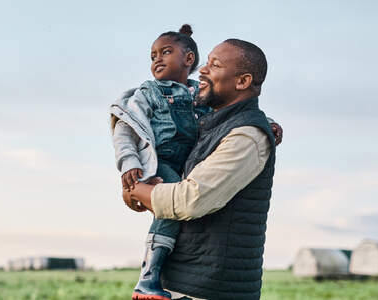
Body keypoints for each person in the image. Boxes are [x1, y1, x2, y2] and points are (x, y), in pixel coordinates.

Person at [110, 26, 281, 300]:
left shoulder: (247, 134)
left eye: (215, 65)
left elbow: (190, 200)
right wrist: (134, 171)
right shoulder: (208, 123)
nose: (202, 70)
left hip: (211, 288)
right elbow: (129, 129)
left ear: (242, 81)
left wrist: (137, 190)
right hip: (183, 282)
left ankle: (148, 276)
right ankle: (149, 277)